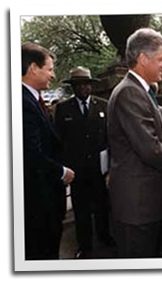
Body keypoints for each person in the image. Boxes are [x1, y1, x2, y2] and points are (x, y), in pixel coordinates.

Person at [107, 28, 162, 258]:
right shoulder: (130, 93)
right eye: (161, 59)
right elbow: (149, 147)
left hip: (144, 204)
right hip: (138, 208)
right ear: (143, 59)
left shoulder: (137, 91)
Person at [54, 66, 115, 259]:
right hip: (77, 171)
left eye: (86, 83)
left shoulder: (103, 106)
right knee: (81, 211)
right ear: (73, 87)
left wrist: (111, 168)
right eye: (78, 84)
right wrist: (63, 168)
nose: (83, 87)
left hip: (100, 169)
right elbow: (59, 141)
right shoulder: (63, 109)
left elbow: (111, 138)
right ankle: (85, 245)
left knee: (102, 206)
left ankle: (104, 236)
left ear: (91, 85)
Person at [22, 42, 75, 259]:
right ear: (34, 68)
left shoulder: (33, 100)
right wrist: (61, 172)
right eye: (50, 69)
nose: (52, 75)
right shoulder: (22, 103)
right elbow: (30, 154)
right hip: (38, 202)